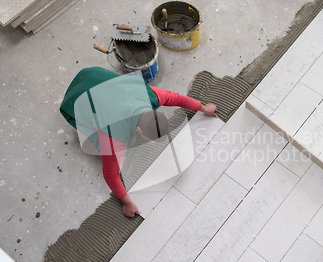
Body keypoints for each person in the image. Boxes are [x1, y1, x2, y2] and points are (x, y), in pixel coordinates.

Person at [60, 67, 218, 217]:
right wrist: (127, 203)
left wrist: (203, 108)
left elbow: (177, 98)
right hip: (75, 99)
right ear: (139, 131)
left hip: (93, 74)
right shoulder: (113, 139)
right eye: (151, 140)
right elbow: (111, 175)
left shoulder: (150, 95)